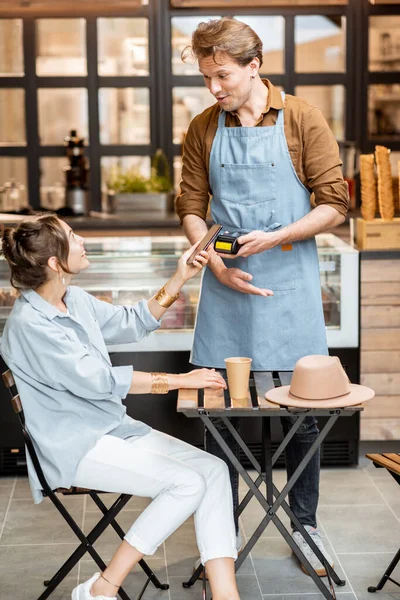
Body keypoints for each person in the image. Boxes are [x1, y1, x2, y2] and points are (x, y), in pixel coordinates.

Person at [176, 17, 349, 576]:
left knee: (303, 416)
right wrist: (217, 262)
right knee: (220, 416)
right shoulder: (204, 126)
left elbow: (333, 203)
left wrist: (280, 234)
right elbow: (191, 204)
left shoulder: (301, 117)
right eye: (206, 77)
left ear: (254, 66)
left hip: (290, 284)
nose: (214, 89)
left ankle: (305, 529)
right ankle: (220, 539)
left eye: (222, 75)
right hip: (226, 289)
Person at [0, 213, 242, 600]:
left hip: (111, 429)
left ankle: (226, 593)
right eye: (73, 237)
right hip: (73, 446)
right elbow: (100, 381)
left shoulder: (72, 299)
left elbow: (131, 322)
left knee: (213, 470)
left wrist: (181, 277)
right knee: (186, 482)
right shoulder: (31, 325)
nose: (83, 241)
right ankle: (102, 586)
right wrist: (181, 380)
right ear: (54, 264)